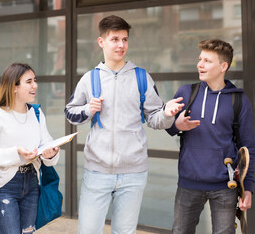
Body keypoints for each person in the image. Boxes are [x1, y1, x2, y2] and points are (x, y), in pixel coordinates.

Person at [65, 15, 183, 234]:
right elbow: (70, 113)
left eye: (125, 39)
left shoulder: (141, 77)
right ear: (102, 42)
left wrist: (167, 114)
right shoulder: (90, 79)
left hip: (133, 173)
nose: (121, 45)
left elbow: (155, 118)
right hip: (96, 171)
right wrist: (88, 110)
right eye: (115, 39)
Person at [166, 39, 255, 234]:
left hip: (225, 186)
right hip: (188, 183)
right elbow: (168, 126)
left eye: (207, 60)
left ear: (223, 66)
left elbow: (248, 149)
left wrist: (247, 188)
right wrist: (176, 125)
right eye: (200, 59)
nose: (200, 64)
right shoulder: (186, 93)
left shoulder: (238, 100)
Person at [0, 62, 60, 234]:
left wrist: (50, 154)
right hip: (3, 187)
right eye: (29, 81)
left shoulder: (36, 114)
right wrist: (16, 153)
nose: (35, 86)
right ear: (14, 86)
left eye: (35, 80)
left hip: (31, 183)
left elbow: (46, 144)